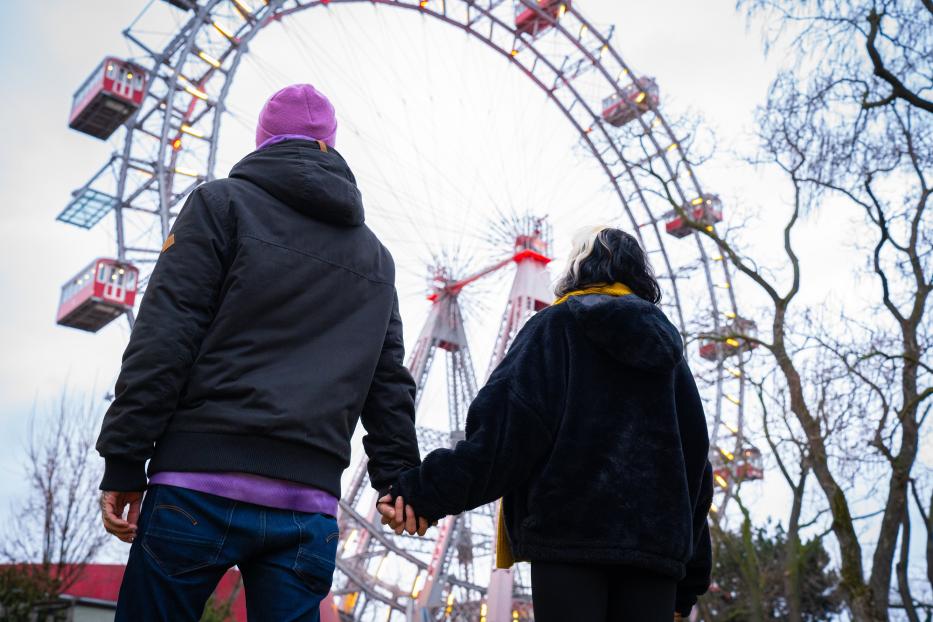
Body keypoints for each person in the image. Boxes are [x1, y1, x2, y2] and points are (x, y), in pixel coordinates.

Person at [95, 83, 421, 622]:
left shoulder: (219, 205)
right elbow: (388, 383)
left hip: (197, 483)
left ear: (262, 141)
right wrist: (399, 481)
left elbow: (163, 337)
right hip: (307, 503)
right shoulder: (375, 256)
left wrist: (125, 459)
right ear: (332, 147)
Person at [379, 226, 713, 621]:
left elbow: (505, 438)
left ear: (576, 268)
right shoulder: (669, 349)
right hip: (655, 555)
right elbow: (695, 470)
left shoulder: (555, 328)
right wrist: (689, 581)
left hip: (568, 540)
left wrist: (421, 493)